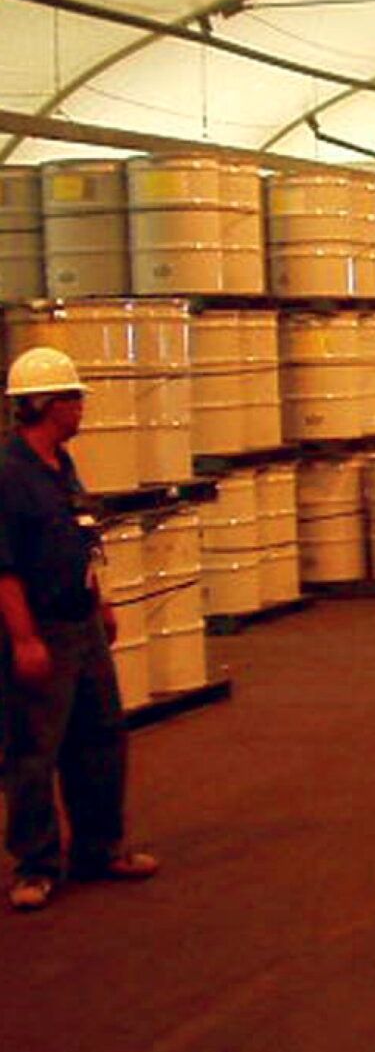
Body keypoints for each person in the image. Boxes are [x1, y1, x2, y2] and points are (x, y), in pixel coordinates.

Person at [0, 345, 158, 912]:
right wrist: (23, 641)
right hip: (40, 629)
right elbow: (5, 569)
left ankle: (99, 848)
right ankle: (35, 866)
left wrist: (103, 601)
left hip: (82, 623)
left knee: (100, 738)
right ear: (46, 404)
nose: (83, 407)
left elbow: (81, 537)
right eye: (74, 397)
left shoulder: (60, 465)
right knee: (34, 751)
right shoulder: (10, 476)